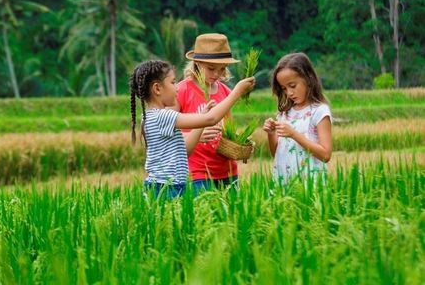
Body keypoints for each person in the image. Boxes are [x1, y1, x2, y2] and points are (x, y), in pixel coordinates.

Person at [129, 59, 255, 199]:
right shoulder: (163, 116)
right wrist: (237, 92)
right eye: (173, 82)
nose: (177, 87)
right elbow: (211, 119)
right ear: (157, 88)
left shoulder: (152, 117)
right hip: (166, 188)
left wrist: (201, 120)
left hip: (173, 185)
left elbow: (185, 151)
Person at [176, 33, 242, 196]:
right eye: (211, 69)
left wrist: (238, 145)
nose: (216, 74)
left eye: (222, 69)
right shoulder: (182, 90)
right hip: (197, 171)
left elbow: (229, 129)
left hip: (227, 170)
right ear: (197, 63)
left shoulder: (226, 92)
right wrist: (196, 134)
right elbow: (168, 131)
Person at [263, 52, 333, 183]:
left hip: (310, 183)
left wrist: (294, 134)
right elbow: (277, 154)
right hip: (285, 182)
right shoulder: (285, 113)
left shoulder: (319, 111)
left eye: (293, 86)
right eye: (284, 88)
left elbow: (325, 154)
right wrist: (271, 134)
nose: (289, 93)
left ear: (308, 79)